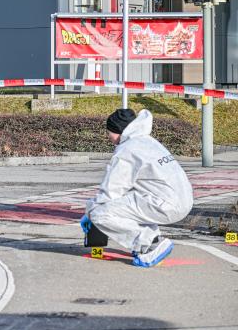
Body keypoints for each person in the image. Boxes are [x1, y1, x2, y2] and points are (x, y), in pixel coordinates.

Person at [80, 108, 194, 267]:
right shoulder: (148, 141)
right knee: (129, 202)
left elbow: (111, 191)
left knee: (100, 214)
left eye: (110, 132)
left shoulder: (126, 151)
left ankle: (148, 244)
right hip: (182, 199)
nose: (108, 137)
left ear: (119, 131)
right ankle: (152, 237)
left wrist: (91, 212)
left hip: (165, 204)